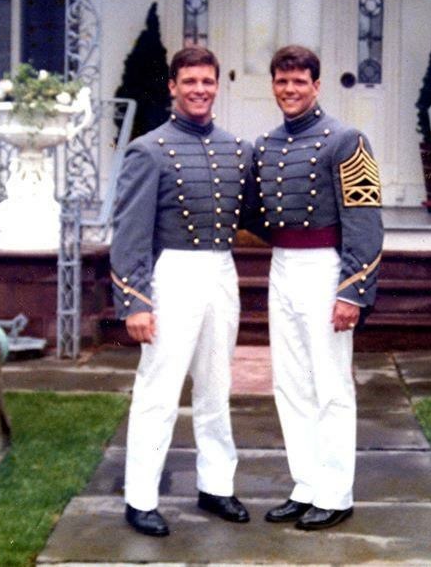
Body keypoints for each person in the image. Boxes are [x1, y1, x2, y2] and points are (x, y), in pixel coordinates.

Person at [110, 46, 253, 537]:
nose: (199, 90)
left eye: (207, 81)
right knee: (159, 389)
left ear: (218, 85)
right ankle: (141, 497)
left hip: (221, 270)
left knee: (216, 385)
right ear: (172, 86)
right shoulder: (149, 150)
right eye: (189, 81)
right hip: (171, 274)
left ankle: (216, 485)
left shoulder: (237, 149)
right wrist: (135, 300)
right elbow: (130, 233)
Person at [252, 45, 383, 531]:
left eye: (299, 82)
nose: (290, 90)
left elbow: (365, 219)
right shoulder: (266, 144)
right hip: (282, 265)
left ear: (317, 85)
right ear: (273, 85)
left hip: (327, 269)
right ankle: (305, 485)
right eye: (282, 82)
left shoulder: (346, 140)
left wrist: (352, 290)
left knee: (330, 384)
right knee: (290, 382)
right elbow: (257, 213)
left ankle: (335, 493)